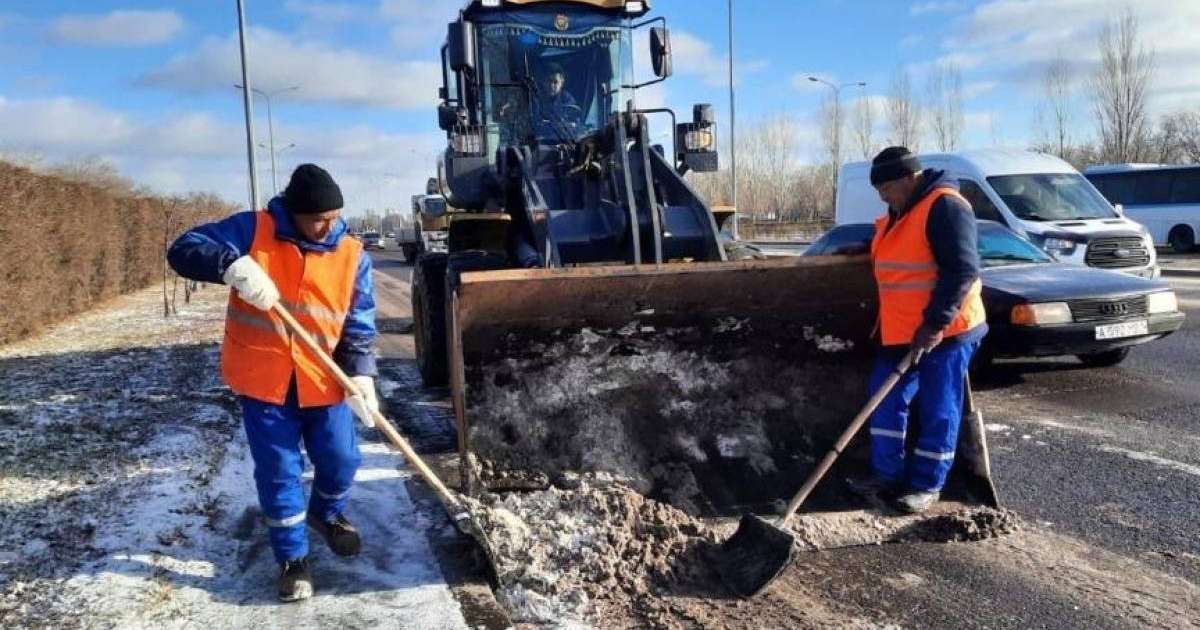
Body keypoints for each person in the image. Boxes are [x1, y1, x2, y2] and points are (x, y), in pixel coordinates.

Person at [167, 164, 379, 601]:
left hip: (323, 378)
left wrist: (361, 374)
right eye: (319, 218)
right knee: (281, 472)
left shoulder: (353, 253)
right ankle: (292, 559)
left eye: (334, 216)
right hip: (265, 381)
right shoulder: (252, 230)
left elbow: (357, 322)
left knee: (342, 458)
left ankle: (326, 513)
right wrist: (231, 266)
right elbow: (184, 249)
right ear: (295, 214)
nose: (328, 225)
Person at [863, 146, 987, 514]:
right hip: (902, 331)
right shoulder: (902, 211)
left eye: (886, 188)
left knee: (939, 406)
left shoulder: (945, 206)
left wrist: (934, 324)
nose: (882, 196)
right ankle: (887, 473)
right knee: (884, 397)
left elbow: (963, 271)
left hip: (945, 332)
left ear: (908, 178)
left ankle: (927, 484)